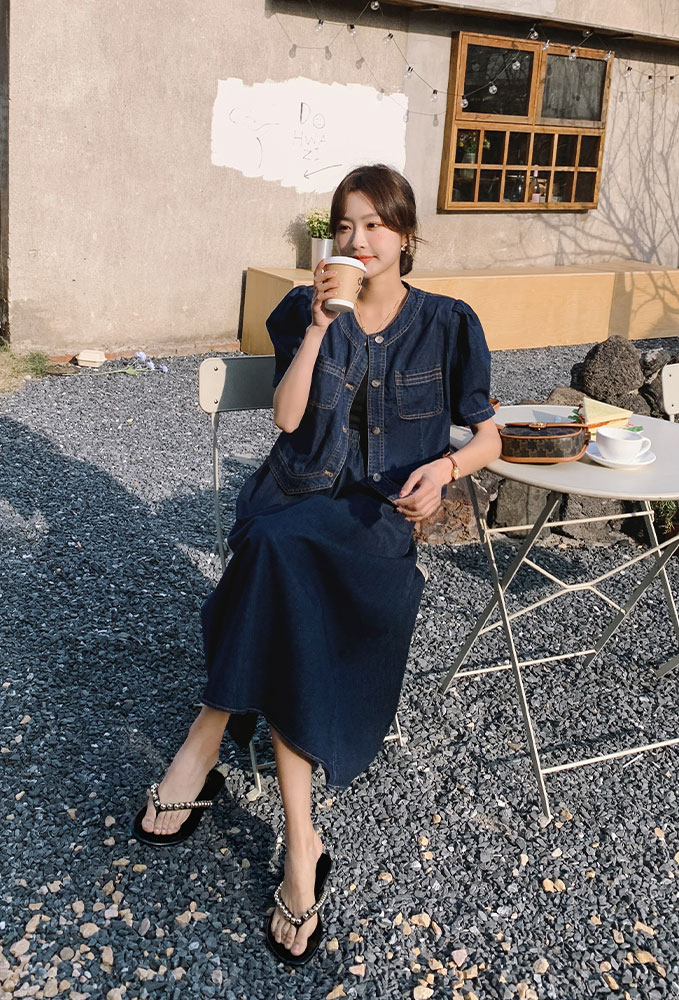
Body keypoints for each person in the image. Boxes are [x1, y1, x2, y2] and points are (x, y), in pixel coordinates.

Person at [132, 164, 501, 965]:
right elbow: (288, 418)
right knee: (280, 549)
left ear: (406, 235)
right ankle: (303, 844)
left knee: (277, 561)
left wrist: (444, 471)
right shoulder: (304, 310)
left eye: (374, 225)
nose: (357, 240)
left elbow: (489, 436)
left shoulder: (448, 323)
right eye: (344, 226)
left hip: (375, 521)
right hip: (294, 495)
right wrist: (321, 326)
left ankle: (205, 739)